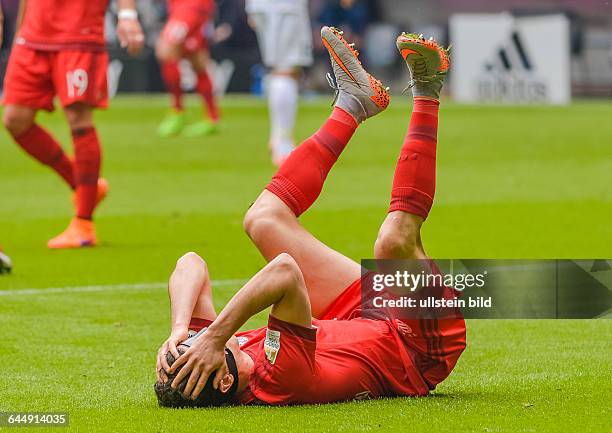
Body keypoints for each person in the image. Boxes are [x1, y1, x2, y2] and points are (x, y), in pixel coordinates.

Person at [154, 27, 465, 406]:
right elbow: (285, 271)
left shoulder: (218, 356)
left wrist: (180, 330)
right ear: (222, 382)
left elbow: (190, 265)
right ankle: (428, 88)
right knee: (393, 241)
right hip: (415, 345)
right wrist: (215, 336)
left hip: (358, 317)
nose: (197, 343)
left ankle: (353, 103)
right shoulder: (280, 377)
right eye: (197, 348)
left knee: (262, 219)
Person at [1, 0, 144, 249]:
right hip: (32, 35)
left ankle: (84, 224)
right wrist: (19, 31)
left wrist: (127, 14)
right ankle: (84, 186)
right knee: (15, 120)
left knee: (78, 119)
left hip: (78, 32)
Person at [246, 0, 313, 166]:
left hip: (262, 5)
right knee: (286, 69)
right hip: (284, 7)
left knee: (281, 67)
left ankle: (277, 137)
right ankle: (282, 145)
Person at [156, 0, 220, 138]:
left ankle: (178, 111)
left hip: (189, 6)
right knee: (196, 57)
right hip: (187, 7)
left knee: (166, 50)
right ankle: (212, 118)